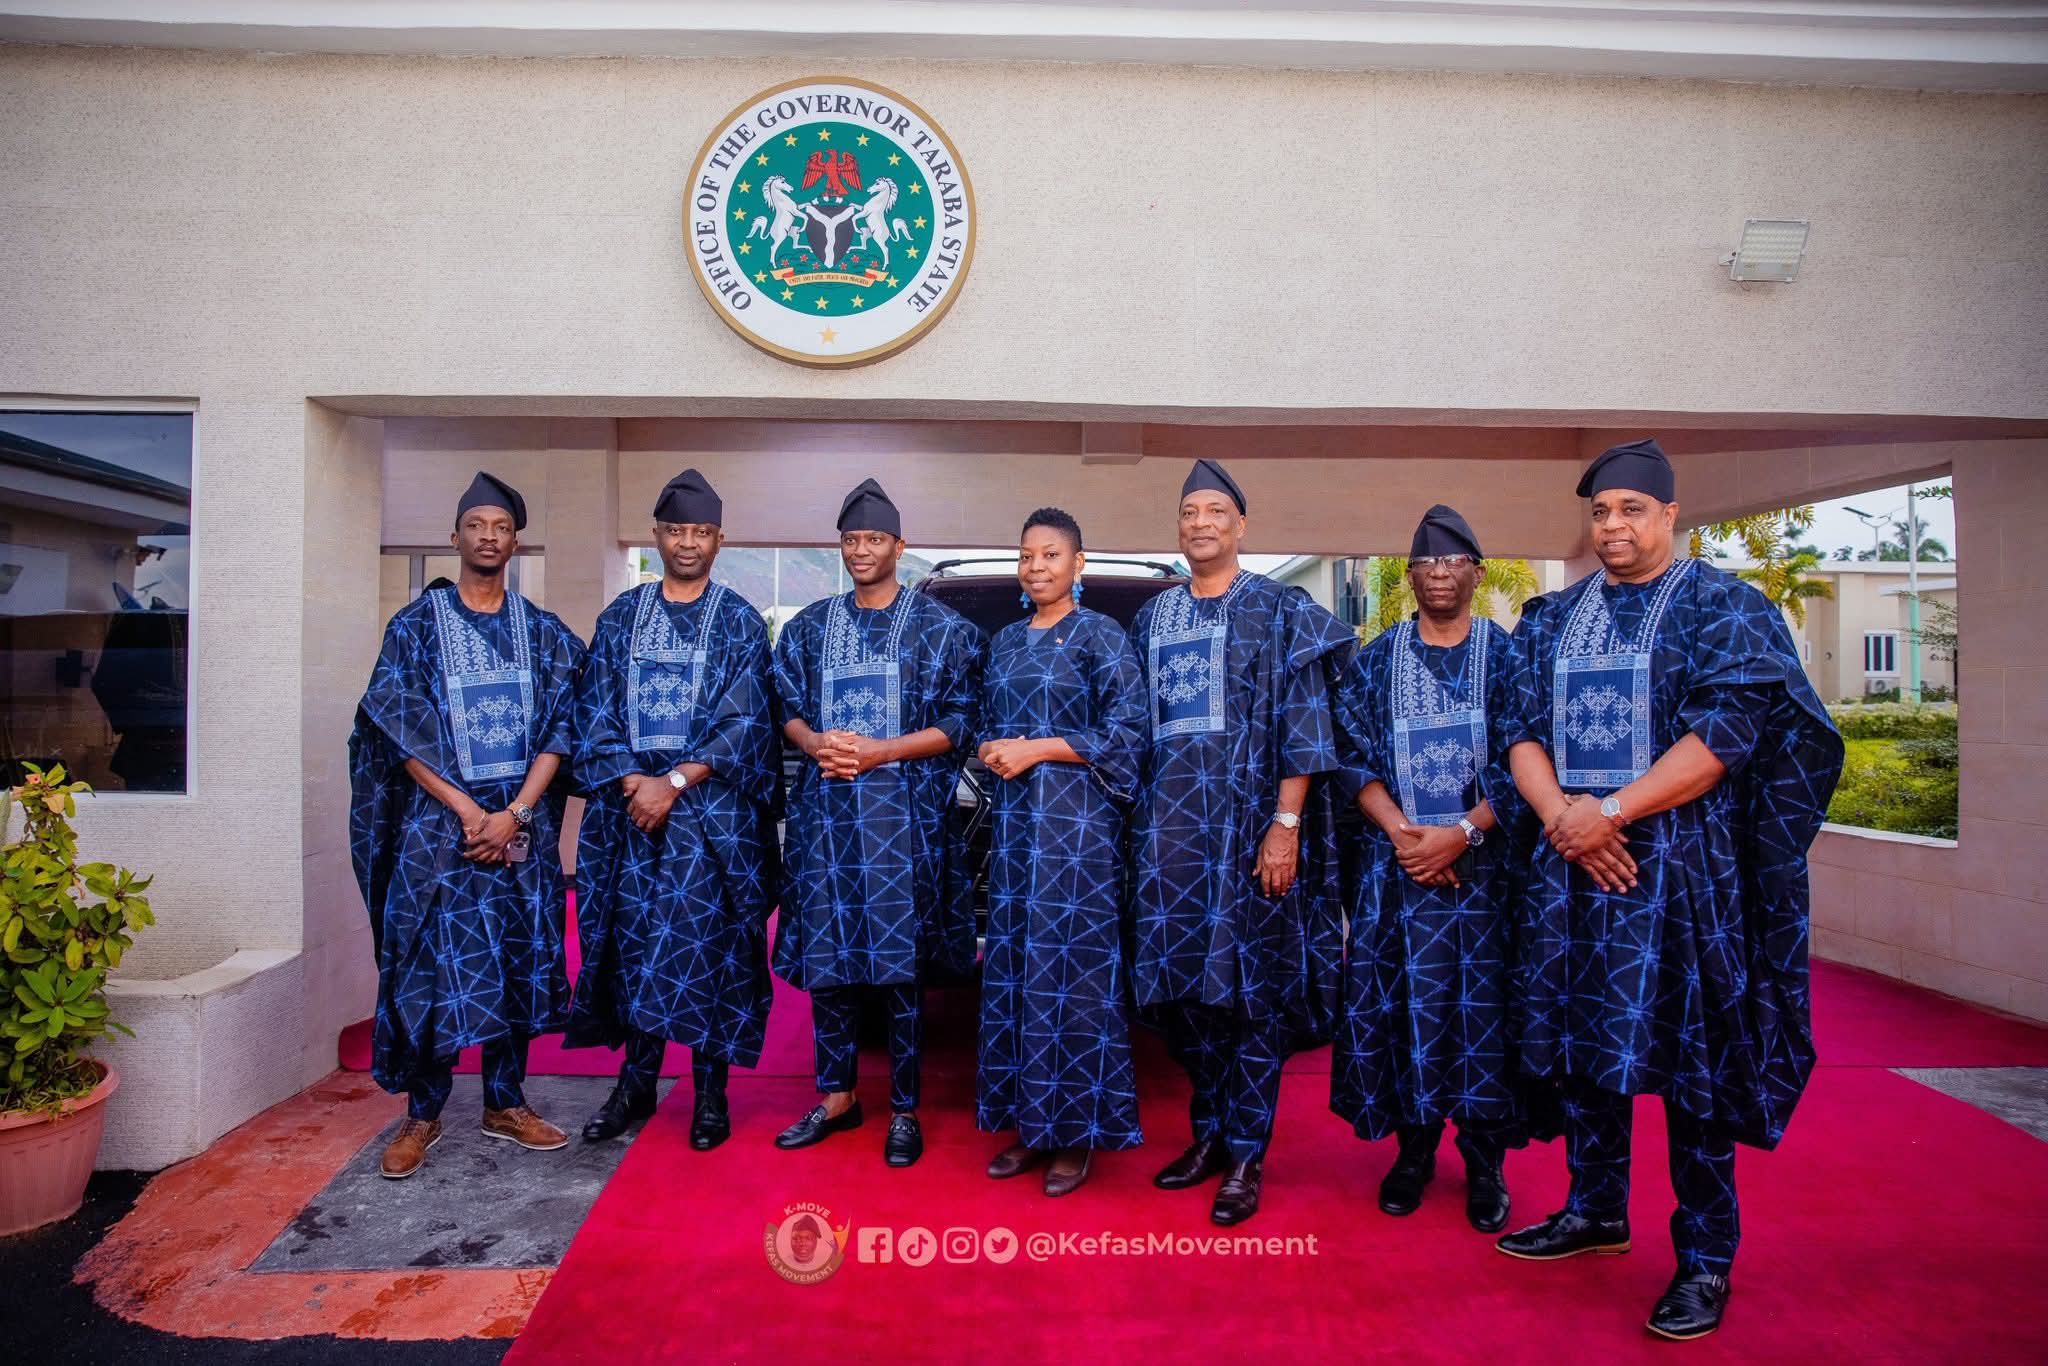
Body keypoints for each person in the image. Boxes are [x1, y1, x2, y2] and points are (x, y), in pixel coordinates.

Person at [1494, 439, 1844, 1341]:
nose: (1614, 526)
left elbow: (1725, 735)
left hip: (1681, 880)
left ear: (1670, 515)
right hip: (1570, 877)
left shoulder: (1727, 609)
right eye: (1602, 512)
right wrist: (1568, 820)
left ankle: (1705, 1260)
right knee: (1582, 1056)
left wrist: (1606, 811)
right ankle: (1596, 1211)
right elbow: (1519, 732)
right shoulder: (1550, 616)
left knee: (1695, 1073)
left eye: (1632, 510)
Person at [1131, 459, 1357, 1225]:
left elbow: (1306, 720)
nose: (1201, 522)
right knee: (1185, 995)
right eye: (1189, 511)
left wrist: (1285, 826)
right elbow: (1131, 729)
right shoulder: (1152, 617)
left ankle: (1247, 1153)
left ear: (1241, 526)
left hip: (1249, 838)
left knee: (1251, 997)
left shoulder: (1279, 609)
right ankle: (1210, 1135)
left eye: (1216, 511)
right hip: (1167, 842)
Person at [349, 471, 585, 1178]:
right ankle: (423, 1114)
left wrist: (513, 813)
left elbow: (564, 727)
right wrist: (469, 812)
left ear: (517, 542)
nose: (488, 536)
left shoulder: (542, 633)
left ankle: (505, 1103)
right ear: (455, 537)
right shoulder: (415, 628)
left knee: (513, 958)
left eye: (501, 526)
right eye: (475, 525)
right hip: (439, 829)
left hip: (520, 829)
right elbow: (397, 730)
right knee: (431, 964)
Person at [770, 478, 984, 1168]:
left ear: (900, 545)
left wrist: (881, 751)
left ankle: (903, 1108)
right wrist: (813, 744)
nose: (861, 550)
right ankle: (836, 1098)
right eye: (851, 540)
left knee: (901, 972)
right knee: (831, 966)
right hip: (827, 825)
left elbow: (960, 723)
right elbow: (785, 706)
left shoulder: (943, 631)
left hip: (906, 828)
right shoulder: (807, 627)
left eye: (874, 540)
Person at [565, 469, 779, 1151]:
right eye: (675, 530)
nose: (687, 542)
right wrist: (634, 782)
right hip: (631, 822)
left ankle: (710, 1091)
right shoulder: (621, 617)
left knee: (707, 951)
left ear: (720, 539)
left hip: (710, 823)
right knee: (633, 948)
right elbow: (591, 710)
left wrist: (674, 783)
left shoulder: (741, 621)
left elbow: (746, 718)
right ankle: (636, 1083)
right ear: (657, 536)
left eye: (700, 532)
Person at [1329, 506, 1526, 1233]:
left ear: (1476, 570)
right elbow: (1349, 755)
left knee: (1482, 1014)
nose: (1439, 573)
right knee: (1404, 1008)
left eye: (1453, 562)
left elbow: (1530, 759)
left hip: (1486, 883)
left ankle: (1484, 1162)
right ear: (1409, 576)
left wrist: (1462, 835)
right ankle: (1412, 1154)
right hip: (1397, 876)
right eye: (1426, 563)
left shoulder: (1508, 659)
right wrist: (1407, 837)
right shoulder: (1377, 660)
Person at [976, 508, 1148, 1198]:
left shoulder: (1101, 636)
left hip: (1078, 836)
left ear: (1079, 564)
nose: (1037, 566)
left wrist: (1037, 748)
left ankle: (1077, 1135)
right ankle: (1031, 1123)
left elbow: (1129, 734)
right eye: (1026, 556)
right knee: (1018, 971)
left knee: (1072, 976)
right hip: (1017, 834)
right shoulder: (1007, 643)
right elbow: (991, 727)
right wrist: (992, 748)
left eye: (1051, 555)